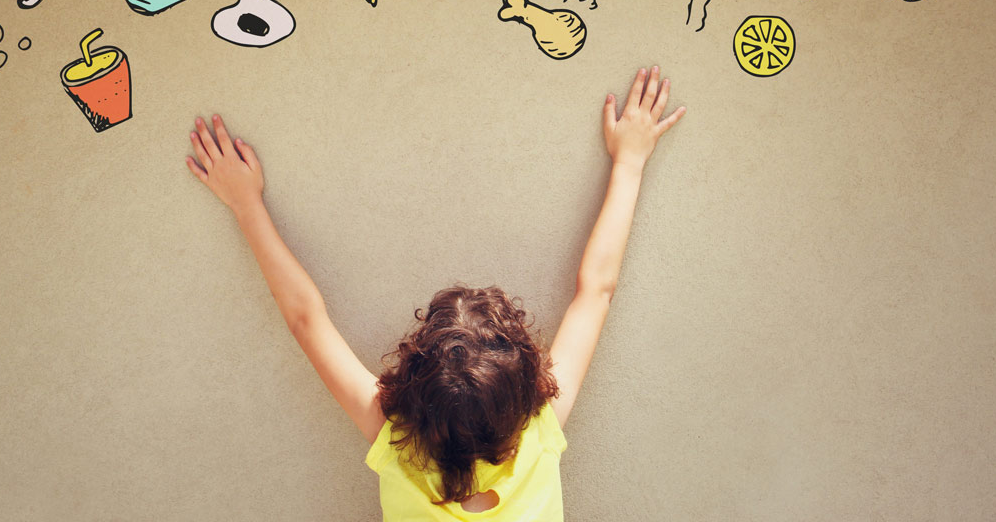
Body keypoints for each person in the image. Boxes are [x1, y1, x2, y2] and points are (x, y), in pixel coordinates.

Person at [186, 66, 685, 520]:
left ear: (410, 384)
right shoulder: (539, 432)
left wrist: (245, 203)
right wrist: (631, 162)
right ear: (529, 385)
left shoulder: (397, 440)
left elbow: (304, 319)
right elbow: (595, 289)